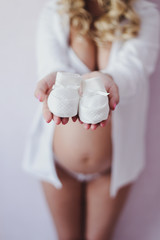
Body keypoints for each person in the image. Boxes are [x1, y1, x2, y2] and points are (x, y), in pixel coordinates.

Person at [23, 0, 160, 239]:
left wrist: (111, 79)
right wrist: (55, 79)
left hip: (113, 168)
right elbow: (50, 62)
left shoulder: (146, 14)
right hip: (58, 165)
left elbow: (135, 71)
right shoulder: (56, 10)